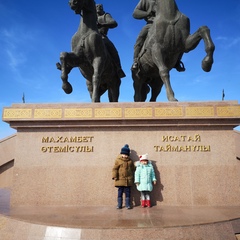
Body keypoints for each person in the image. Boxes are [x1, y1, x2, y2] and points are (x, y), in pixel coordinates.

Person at [131, 0, 185, 72]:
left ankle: (177, 61)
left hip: (168, 23)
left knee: (182, 37)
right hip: (152, 24)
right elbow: (135, 13)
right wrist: (148, 13)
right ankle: (136, 61)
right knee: (140, 39)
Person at [96, 3, 126, 78]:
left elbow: (114, 23)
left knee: (113, 51)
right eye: (97, 6)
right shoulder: (91, 16)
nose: (99, 7)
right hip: (89, 36)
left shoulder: (105, 15)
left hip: (102, 37)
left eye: (100, 6)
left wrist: (102, 24)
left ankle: (118, 68)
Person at [112, 144, 135, 209]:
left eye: (126, 155)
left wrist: (137, 166)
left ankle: (128, 204)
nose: (125, 156)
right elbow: (115, 169)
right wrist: (114, 176)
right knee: (120, 192)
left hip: (128, 180)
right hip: (120, 179)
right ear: (121, 154)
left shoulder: (130, 161)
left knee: (128, 193)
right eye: (124, 154)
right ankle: (119, 204)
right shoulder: (118, 160)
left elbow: (133, 168)